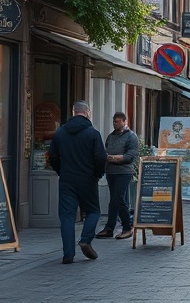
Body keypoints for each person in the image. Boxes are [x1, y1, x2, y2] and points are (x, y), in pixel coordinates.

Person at [48, 100, 107, 264]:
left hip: (67, 179)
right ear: (87, 112)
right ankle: (85, 239)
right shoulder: (93, 133)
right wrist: (97, 174)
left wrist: (61, 171)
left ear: (73, 112)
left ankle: (68, 254)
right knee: (94, 211)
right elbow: (101, 157)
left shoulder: (60, 132)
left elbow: (52, 156)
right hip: (87, 179)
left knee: (67, 216)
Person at [96, 111, 139, 241]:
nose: (115, 124)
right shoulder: (111, 136)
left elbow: (130, 156)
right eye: (114, 121)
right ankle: (109, 228)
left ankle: (127, 228)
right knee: (113, 200)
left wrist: (114, 158)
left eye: (118, 121)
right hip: (111, 172)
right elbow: (105, 152)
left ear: (124, 122)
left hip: (124, 172)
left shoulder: (131, 137)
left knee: (119, 198)